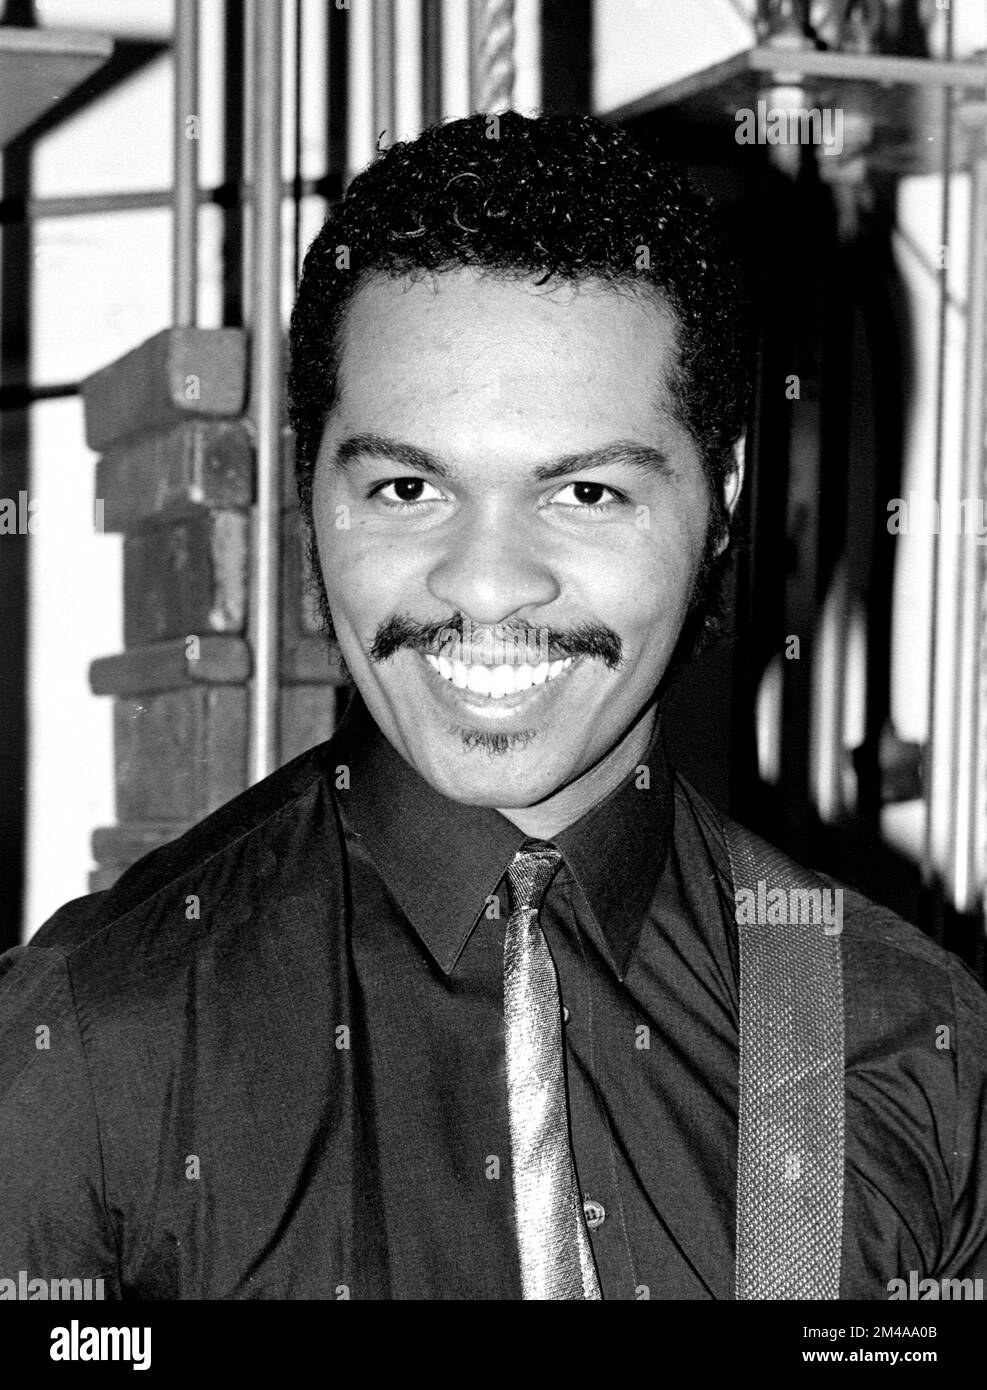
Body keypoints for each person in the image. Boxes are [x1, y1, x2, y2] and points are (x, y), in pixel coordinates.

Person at [1, 111, 985, 1302]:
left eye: (584, 489)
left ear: (720, 494)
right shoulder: (90, 1041)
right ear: (311, 486)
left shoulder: (905, 1036)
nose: (484, 584)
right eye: (409, 486)